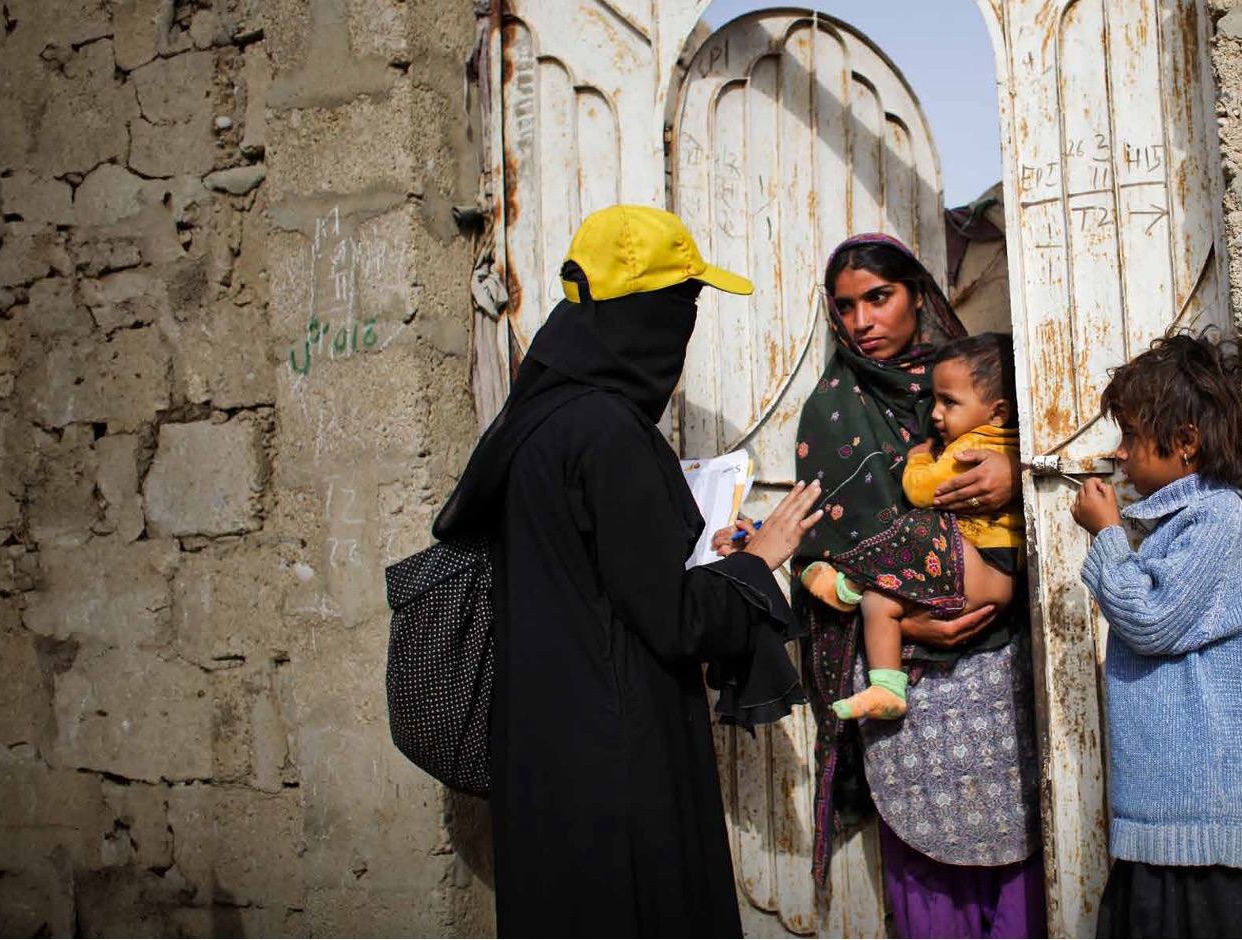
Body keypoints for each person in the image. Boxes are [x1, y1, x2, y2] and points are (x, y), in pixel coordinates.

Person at [435, 205, 823, 935]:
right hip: (619, 765)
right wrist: (760, 559)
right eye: (686, 305)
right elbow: (676, 621)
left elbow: (601, 583)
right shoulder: (608, 433)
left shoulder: (537, 424)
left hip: (548, 755)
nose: (687, 326)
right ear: (650, 317)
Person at [714, 233, 1041, 937]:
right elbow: (820, 559)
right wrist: (907, 620)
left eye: (879, 298)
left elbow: (1064, 471)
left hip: (995, 662)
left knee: (1017, 840)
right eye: (846, 307)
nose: (863, 320)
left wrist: (1020, 476)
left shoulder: (990, 383)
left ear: (917, 296)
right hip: (903, 676)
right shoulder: (831, 410)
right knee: (925, 866)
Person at [1071, 334, 1242, 938]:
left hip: (1206, 831)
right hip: (1169, 822)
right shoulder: (1181, 523)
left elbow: (1150, 620)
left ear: (1186, 443)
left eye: (1130, 436)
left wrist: (1107, 535)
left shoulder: (1218, 520)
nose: (1119, 455)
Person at [801, 333, 1024, 720]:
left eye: (949, 403)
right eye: (934, 400)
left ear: (998, 411)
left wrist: (917, 461)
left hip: (986, 571)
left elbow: (921, 491)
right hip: (985, 576)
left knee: (920, 527)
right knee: (881, 602)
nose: (935, 414)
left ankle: (851, 584)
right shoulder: (1011, 442)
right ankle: (887, 687)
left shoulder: (974, 447)